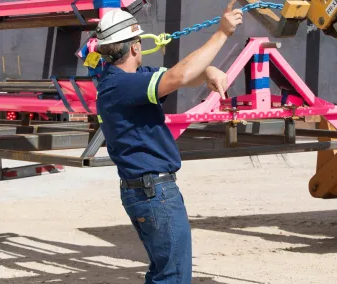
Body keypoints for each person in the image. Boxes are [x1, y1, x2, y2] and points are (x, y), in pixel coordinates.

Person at [93, 1, 243, 283]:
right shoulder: (122, 86)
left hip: (149, 191)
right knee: (173, 276)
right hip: (154, 193)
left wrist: (208, 71)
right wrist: (222, 33)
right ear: (135, 46)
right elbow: (178, 76)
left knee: (164, 272)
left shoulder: (125, 81)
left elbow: (177, 76)